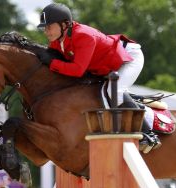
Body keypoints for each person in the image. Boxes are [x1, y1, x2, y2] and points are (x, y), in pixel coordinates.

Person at [37, 3, 160, 150]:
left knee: (115, 92)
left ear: (64, 24)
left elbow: (77, 70)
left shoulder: (83, 35)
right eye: (45, 27)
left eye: (49, 26)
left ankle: (149, 135)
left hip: (129, 58)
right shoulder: (58, 42)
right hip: (106, 67)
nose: (46, 31)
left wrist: (52, 63)